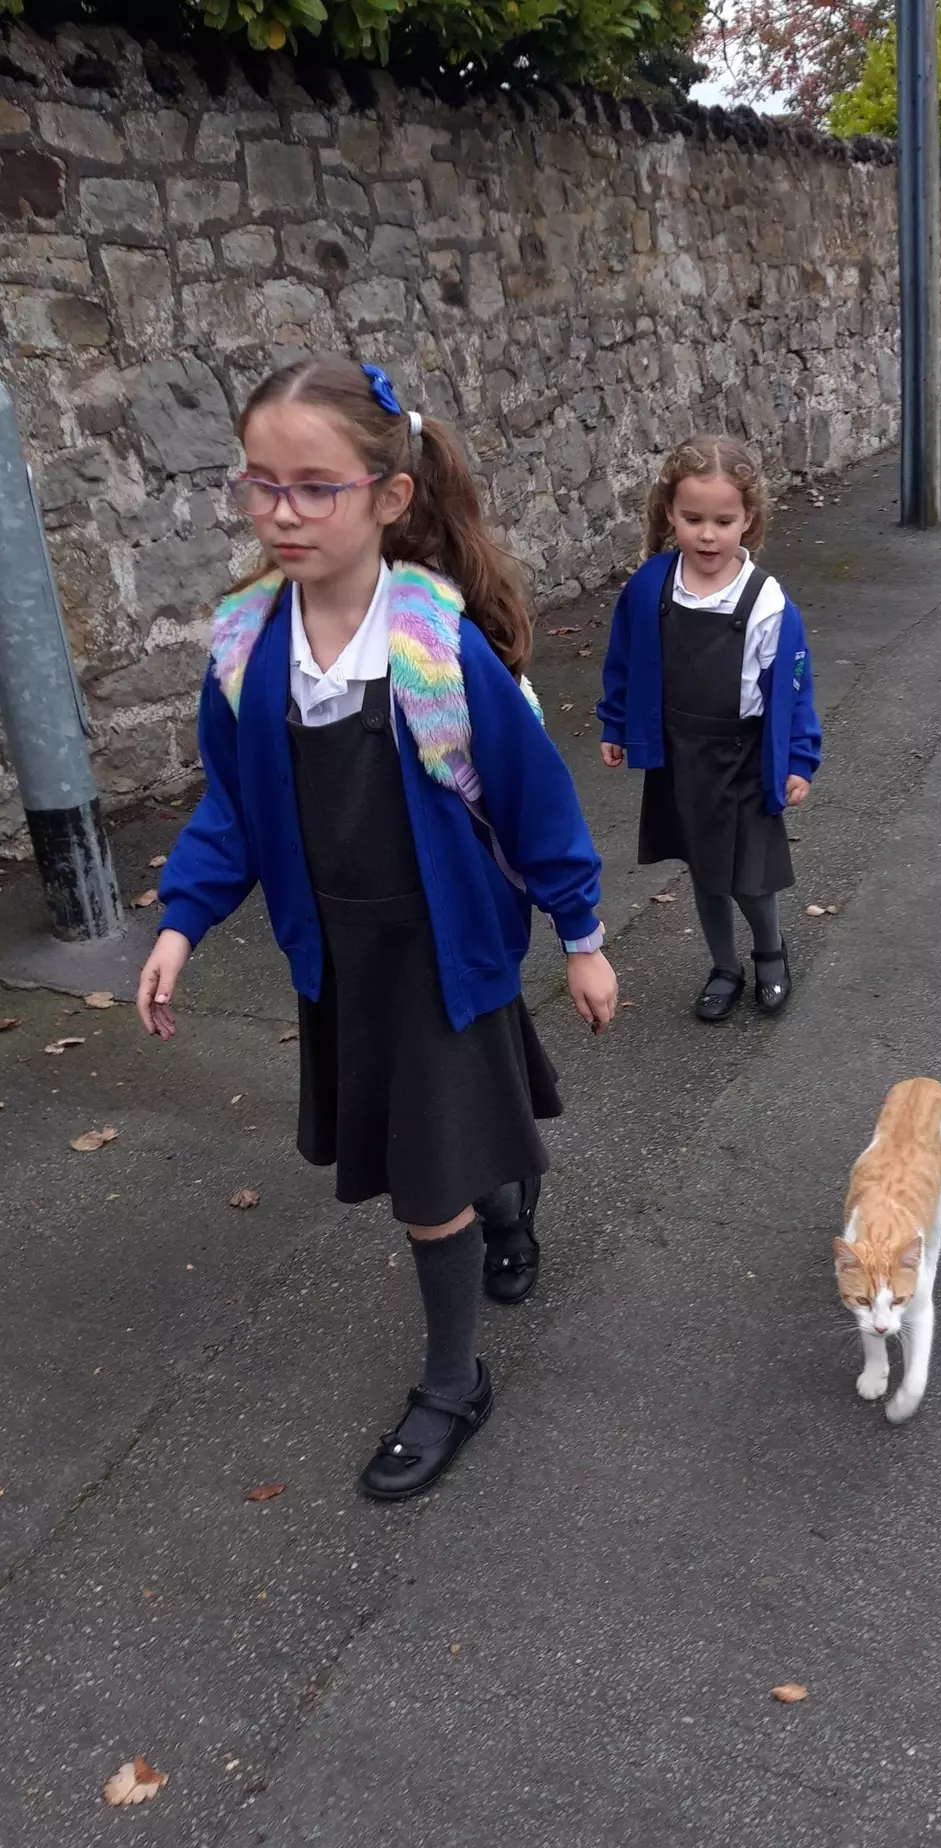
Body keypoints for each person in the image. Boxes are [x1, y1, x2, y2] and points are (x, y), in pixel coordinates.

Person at [136, 356, 617, 1501]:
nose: (282, 513)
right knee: (443, 1142)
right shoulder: (248, 646)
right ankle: (507, 1196)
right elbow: (235, 806)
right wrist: (183, 922)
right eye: (261, 484)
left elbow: (534, 800)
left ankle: (454, 1383)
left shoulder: (435, 651)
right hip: (341, 958)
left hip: (444, 944)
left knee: (421, 1185)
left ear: (389, 498)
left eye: (315, 487)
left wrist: (586, 935)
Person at [598, 436, 821, 1022]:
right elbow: (625, 660)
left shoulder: (768, 602)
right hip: (682, 754)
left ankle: (770, 952)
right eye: (692, 519)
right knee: (705, 872)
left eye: (724, 521)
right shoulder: (651, 586)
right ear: (669, 514)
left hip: (744, 756)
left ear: (748, 519)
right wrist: (616, 721)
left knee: (749, 878)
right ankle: (725, 965)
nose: (707, 535)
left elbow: (794, 690)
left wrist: (800, 758)